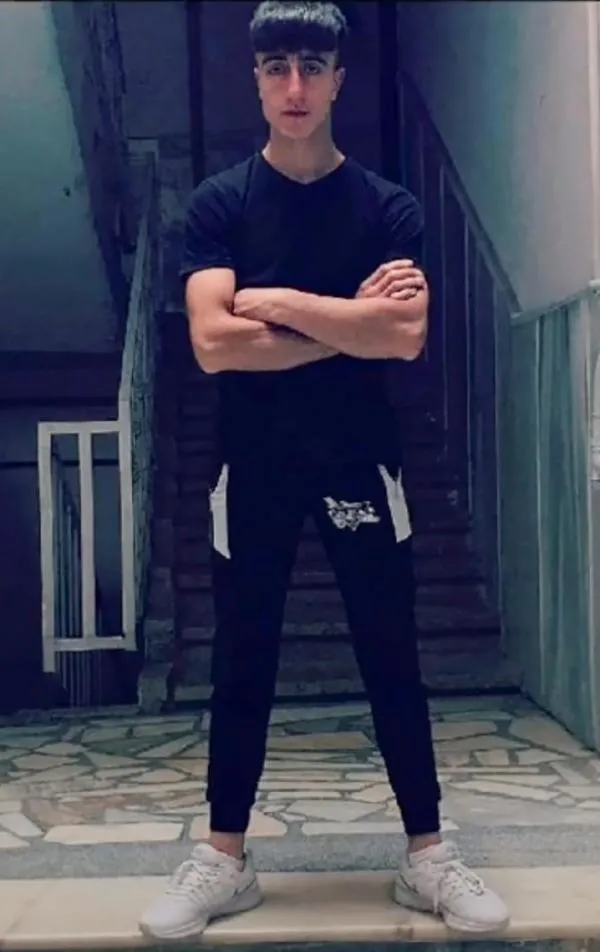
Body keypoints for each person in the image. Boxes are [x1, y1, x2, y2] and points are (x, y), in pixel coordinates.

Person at [139, 0, 509, 940]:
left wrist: (278, 302)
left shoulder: (388, 208)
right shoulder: (218, 205)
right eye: (277, 68)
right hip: (252, 460)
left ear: (340, 78)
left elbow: (407, 334)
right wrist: (349, 322)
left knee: (391, 651)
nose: (295, 86)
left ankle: (428, 857)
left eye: (313, 66)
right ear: (256, 80)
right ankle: (225, 860)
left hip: (359, 458)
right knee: (242, 657)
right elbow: (215, 345)